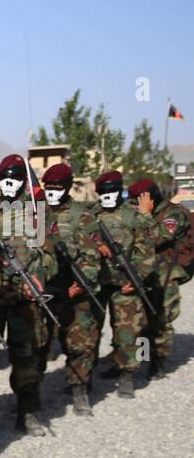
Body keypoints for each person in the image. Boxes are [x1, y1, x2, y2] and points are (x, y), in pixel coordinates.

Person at [0, 155, 56, 434]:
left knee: (26, 356)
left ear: (24, 181)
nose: (10, 184)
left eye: (16, 178)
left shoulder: (37, 213)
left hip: (25, 298)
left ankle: (28, 411)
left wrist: (37, 278)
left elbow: (50, 257)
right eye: (5, 178)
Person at [39, 163, 103, 415]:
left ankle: (79, 389)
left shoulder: (82, 215)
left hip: (75, 288)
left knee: (80, 342)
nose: (53, 191)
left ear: (67, 188)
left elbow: (91, 255)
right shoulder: (36, 213)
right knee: (37, 346)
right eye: (49, 187)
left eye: (57, 187)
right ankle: (30, 400)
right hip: (44, 289)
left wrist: (82, 282)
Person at [91, 170, 153, 397]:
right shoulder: (91, 216)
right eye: (103, 192)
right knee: (88, 330)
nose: (107, 196)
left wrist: (137, 279)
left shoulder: (133, 216)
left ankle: (126, 373)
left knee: (127, 330)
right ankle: (82, 376)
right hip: (96, 282)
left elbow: (146, 252)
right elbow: (79, 240)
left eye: (112, 191)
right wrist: (95, 245)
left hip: (125, 282)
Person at [129, 177, 188, 380]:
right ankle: (141, 359)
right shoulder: (138, 211)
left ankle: (158, 361)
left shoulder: (173, 213)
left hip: (165, 275)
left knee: (161, 318)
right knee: (140, 320)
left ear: (150, 199)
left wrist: (144, 215)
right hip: (141, 272)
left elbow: (158, 238)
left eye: (139, 200)